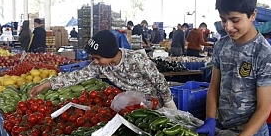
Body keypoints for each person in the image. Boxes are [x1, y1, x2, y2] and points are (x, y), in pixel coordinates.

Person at [195, 0, 271, 136]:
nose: (228, 27)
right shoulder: (221, 45)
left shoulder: (264, 54)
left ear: (252, 15)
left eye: (235, 20)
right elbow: (214, 88)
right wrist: (210, 119)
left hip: (251, 135)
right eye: (223, 19)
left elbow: (265, 108)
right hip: (222, 129)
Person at [29, 30, 177, 110]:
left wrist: (170, 106)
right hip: (134, 104)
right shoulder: (101, 65)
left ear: (110, 53)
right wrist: (47, 84)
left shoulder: (137, 60)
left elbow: (159, 81)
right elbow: (77, 76)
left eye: (98, 58)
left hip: (154, 104)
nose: (95, 62)